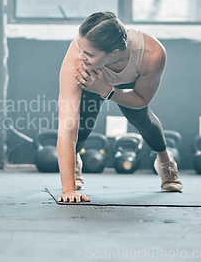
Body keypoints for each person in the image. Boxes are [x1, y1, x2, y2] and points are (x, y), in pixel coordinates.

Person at [56, 11, 183, 203]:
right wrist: (68, 191)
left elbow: (141, 100)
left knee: (141, 119)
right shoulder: (79, 58)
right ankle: (73, 163)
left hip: (126, 84)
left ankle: (165, 161)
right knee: (81, 125)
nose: (81, 56)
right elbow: (67, 125)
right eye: (79, 47)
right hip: (91, 80)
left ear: (114, 53)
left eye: (89, 53)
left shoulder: (152, 54)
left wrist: (106, 90)